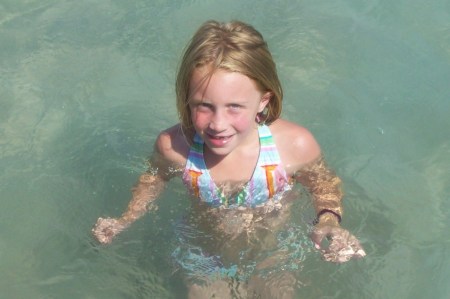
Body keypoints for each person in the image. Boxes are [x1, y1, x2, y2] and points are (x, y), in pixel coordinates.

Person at [92, 20, 365, 298]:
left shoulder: (294, 146)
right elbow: (153, 180)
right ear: (187, 99)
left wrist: (329, 221)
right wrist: (125, 219)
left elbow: (324, 186)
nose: (218, 124)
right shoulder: (174, 148)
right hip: (204, 256)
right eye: (204, 106)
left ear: (263, 101)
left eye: (234, 107)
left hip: (274, 255)